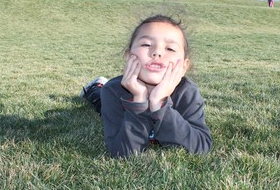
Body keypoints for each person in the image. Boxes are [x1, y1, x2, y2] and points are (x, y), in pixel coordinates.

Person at [80, 15, 212, 158]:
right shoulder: (113, 91)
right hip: (107, 94)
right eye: (146, 45)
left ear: (184, 66)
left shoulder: (187, 93)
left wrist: (159, 103)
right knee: (99, 100)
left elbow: (200, 147)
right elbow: (123, 153)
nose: (157, 52)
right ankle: (95, 87)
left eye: (170, 48)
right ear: (128, 56)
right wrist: (138, 99)